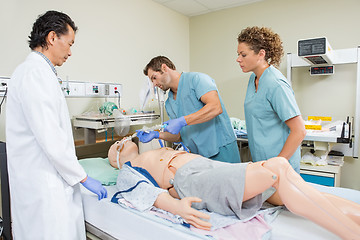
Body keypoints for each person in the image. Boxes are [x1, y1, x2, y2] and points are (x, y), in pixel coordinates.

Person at [108, 138, 360, 239]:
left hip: (209, 167)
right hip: (190, 180)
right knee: (278, 168)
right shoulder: (127, 169)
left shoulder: (153, 149)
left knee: (289, 184)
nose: (124, 140)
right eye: (118, 143)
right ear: (116, 156)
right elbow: (142, 193)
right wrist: (175, 206)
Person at [6, 11, 107, 240]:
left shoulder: (40, 73)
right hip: (43, 186)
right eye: (69, 44)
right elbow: (50, 137)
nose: (70, 52)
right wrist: (83, 177)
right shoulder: (34, 74)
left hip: (44, 180)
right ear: (52, 38)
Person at [138, 56, 240, 163]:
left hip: (221, 149)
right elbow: (179, 136)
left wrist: (182, 121)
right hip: (198, 157)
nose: (154, 84)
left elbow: (215, 107)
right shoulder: (169, 103)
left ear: (164, 68)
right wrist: (157, 134)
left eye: (154, 77)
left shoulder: (197, 80)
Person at [236, 26, 306, 173]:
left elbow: (299, 131)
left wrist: (277, 164)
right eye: (238, 54)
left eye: (243, 55)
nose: (238, 59)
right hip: (262, 163)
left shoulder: (276, 84)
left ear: (261, 54)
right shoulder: (253, 79)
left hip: (281, 166)